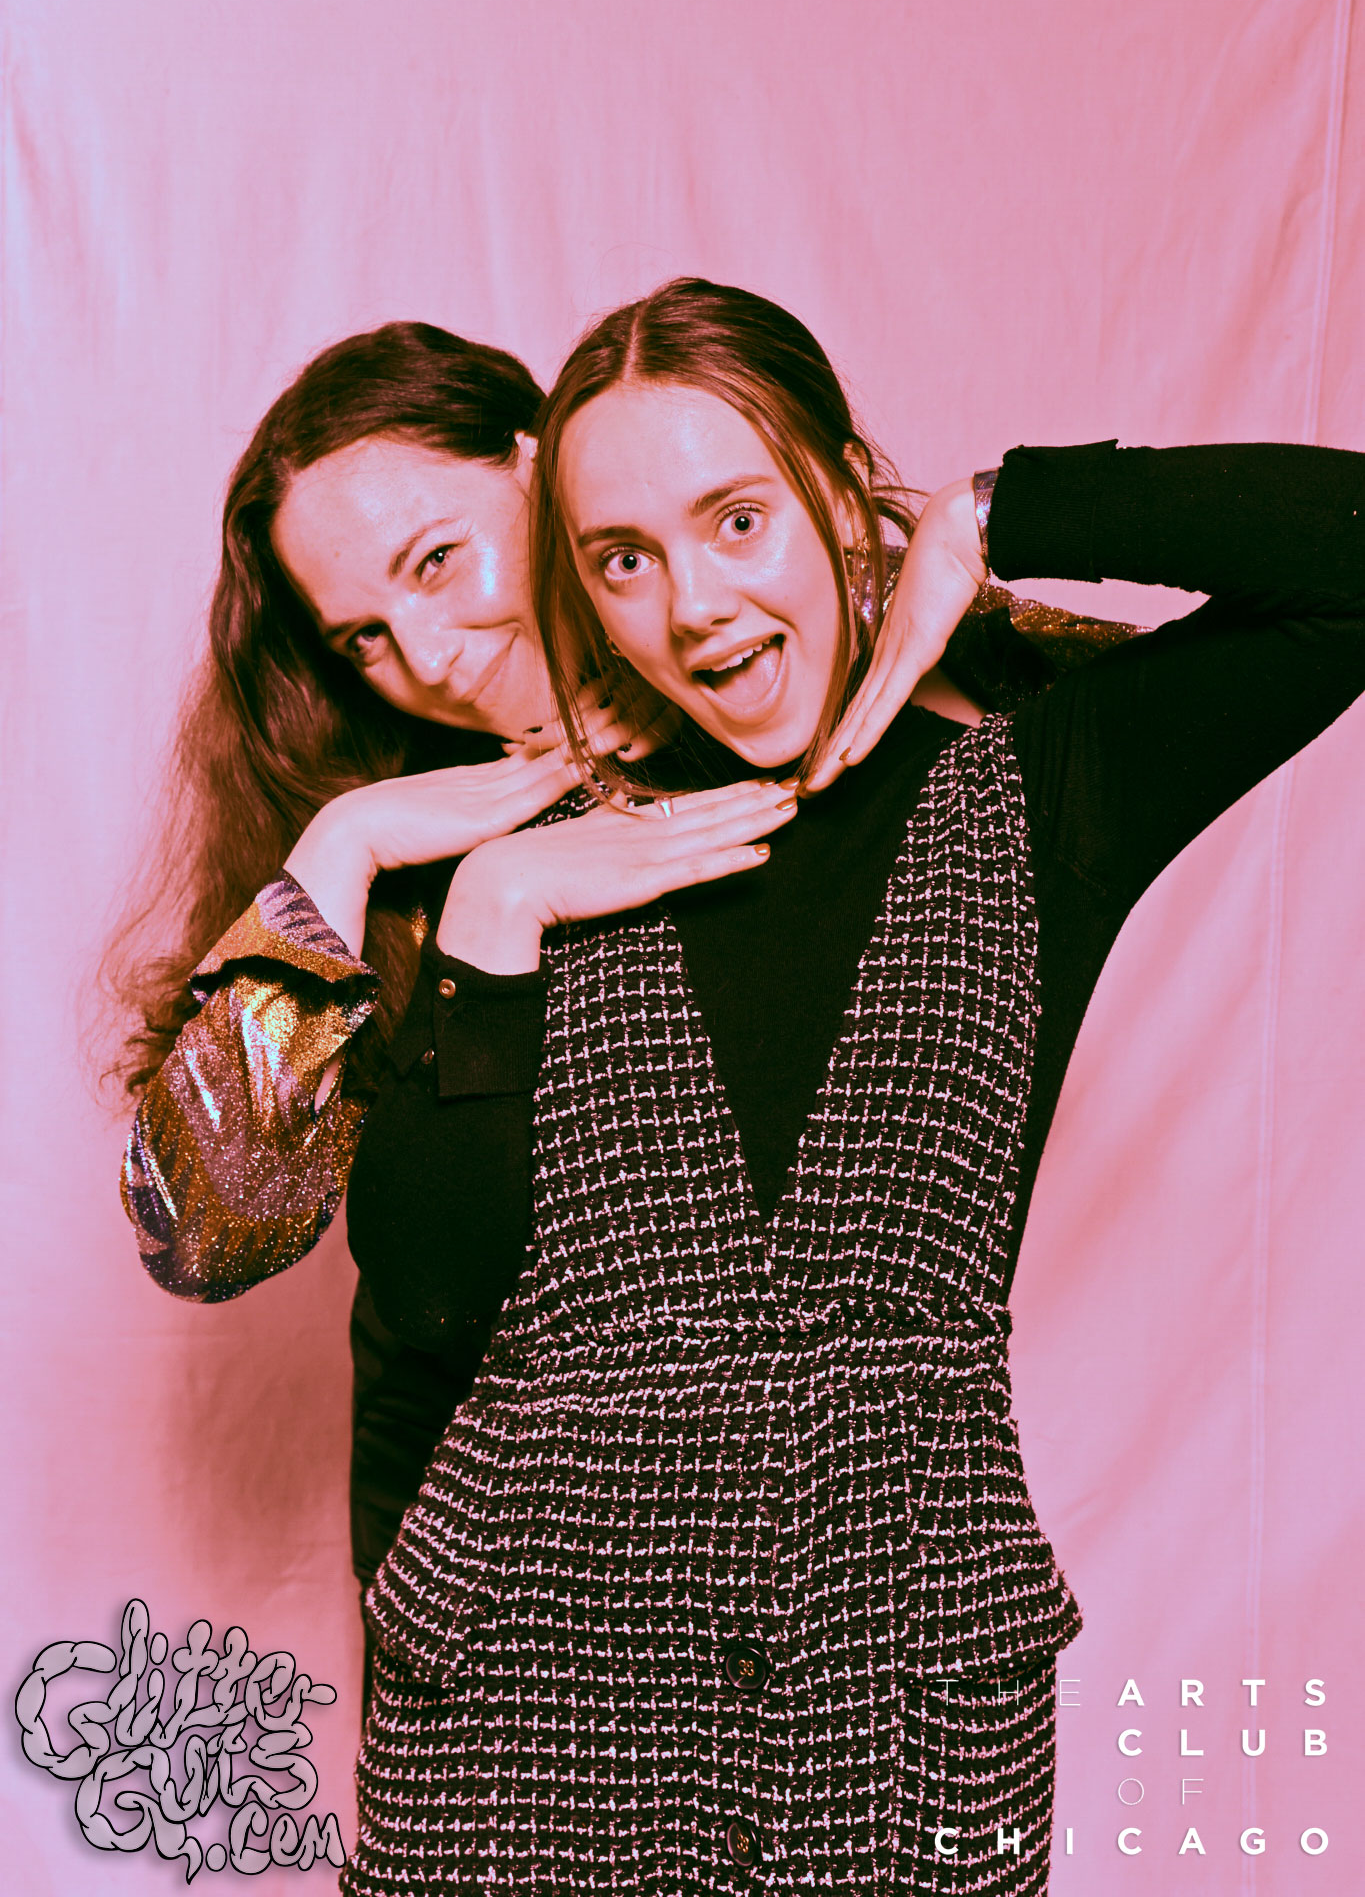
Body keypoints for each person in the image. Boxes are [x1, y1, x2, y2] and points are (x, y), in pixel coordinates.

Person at [339, 279, 1365, 1894]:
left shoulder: (1038, 788)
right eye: (623, 559)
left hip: (901, 1692)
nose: (695, 605)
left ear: (834, 491)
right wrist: (489, 928)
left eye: (737, 519)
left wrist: (996, 511)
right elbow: (424, 1305)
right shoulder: (517, 847)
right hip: (527, 1708)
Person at [114, 316, 1092, 1693]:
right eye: (364, 636)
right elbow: (203, 1232)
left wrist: (929, 540)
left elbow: (1161, 690)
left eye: (438, 562)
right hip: (469, 1577)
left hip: (811, 1570)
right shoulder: (395, 848)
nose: (430, 656)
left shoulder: (777, 695)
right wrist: (352, 841)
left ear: (546, 472)